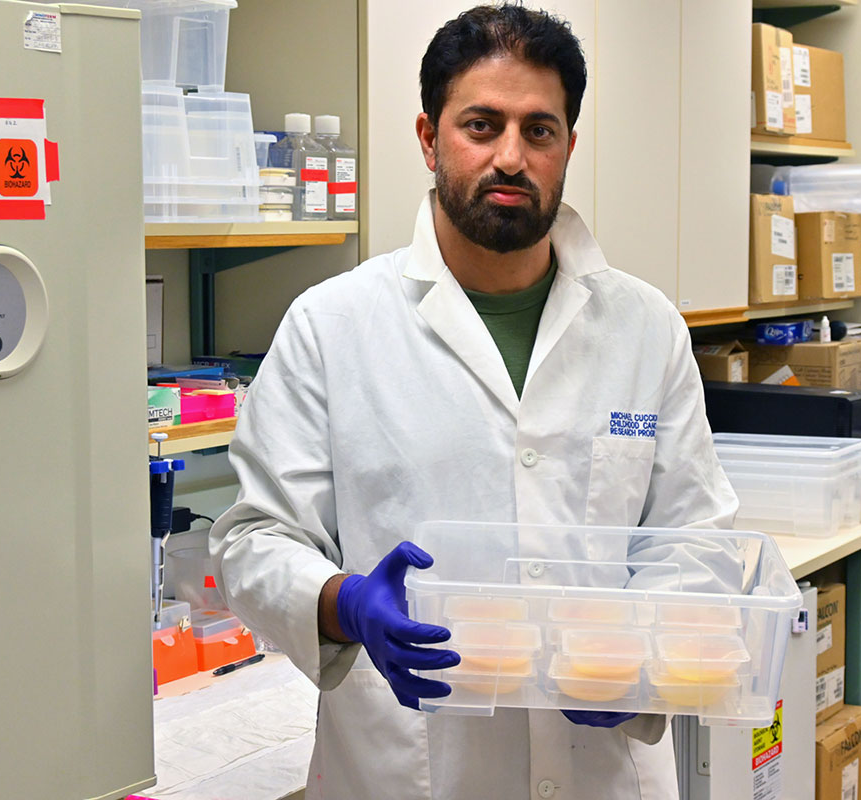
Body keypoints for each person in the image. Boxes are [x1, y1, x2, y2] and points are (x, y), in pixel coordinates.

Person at [210, 5, 739, 799]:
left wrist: (634, 659)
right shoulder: (333, 325)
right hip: (408, 768)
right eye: (481, 125)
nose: (510, 157)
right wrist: (343, 603)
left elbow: (695, 539)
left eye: (539, 130)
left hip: (602, 772)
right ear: (429, 138)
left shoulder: (644, 326)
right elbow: (253, 539)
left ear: (568, 143)